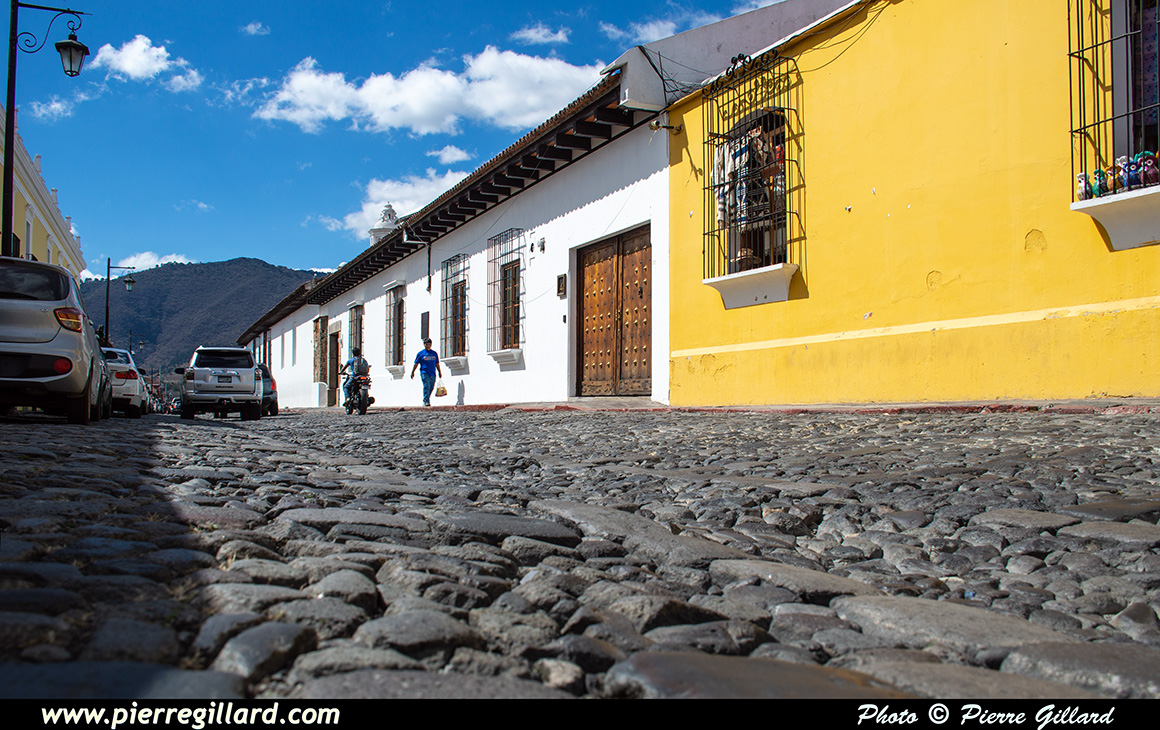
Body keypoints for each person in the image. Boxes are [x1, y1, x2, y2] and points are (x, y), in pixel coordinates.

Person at [410, 338, 442, 406]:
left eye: (429, 344)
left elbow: (437, 363)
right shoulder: (421, 354)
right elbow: (416, 363)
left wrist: (439, 372)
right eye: (426, 344)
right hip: (424, 372)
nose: (428, 346)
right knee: (426, 386)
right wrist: (413, 372)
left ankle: (426, 399)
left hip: (432, 373)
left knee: (431, 387)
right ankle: (426, 401)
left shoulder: (434, 353)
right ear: (424, 345)